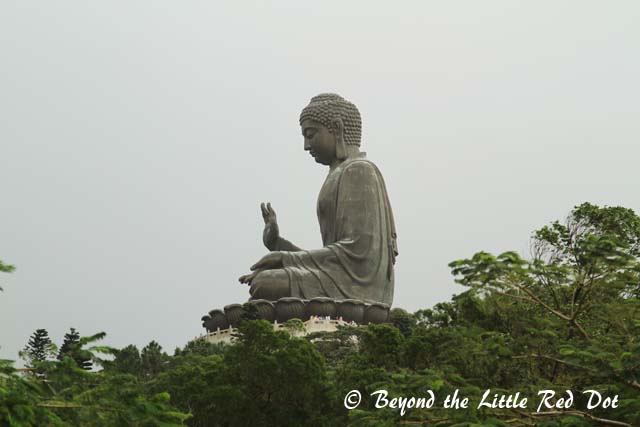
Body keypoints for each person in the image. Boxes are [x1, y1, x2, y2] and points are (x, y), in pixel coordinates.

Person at [238, 94, 398, 305]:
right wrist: (278, 245)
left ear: (337, 128)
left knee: (265, 283)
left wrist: (286, 258)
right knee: (264, 284)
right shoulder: (338, 174)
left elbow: (358, 253)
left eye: (310, 134)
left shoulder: (359, 170)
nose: (306, 145)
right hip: (337, 276)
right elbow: (333, 257)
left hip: (358, 287)